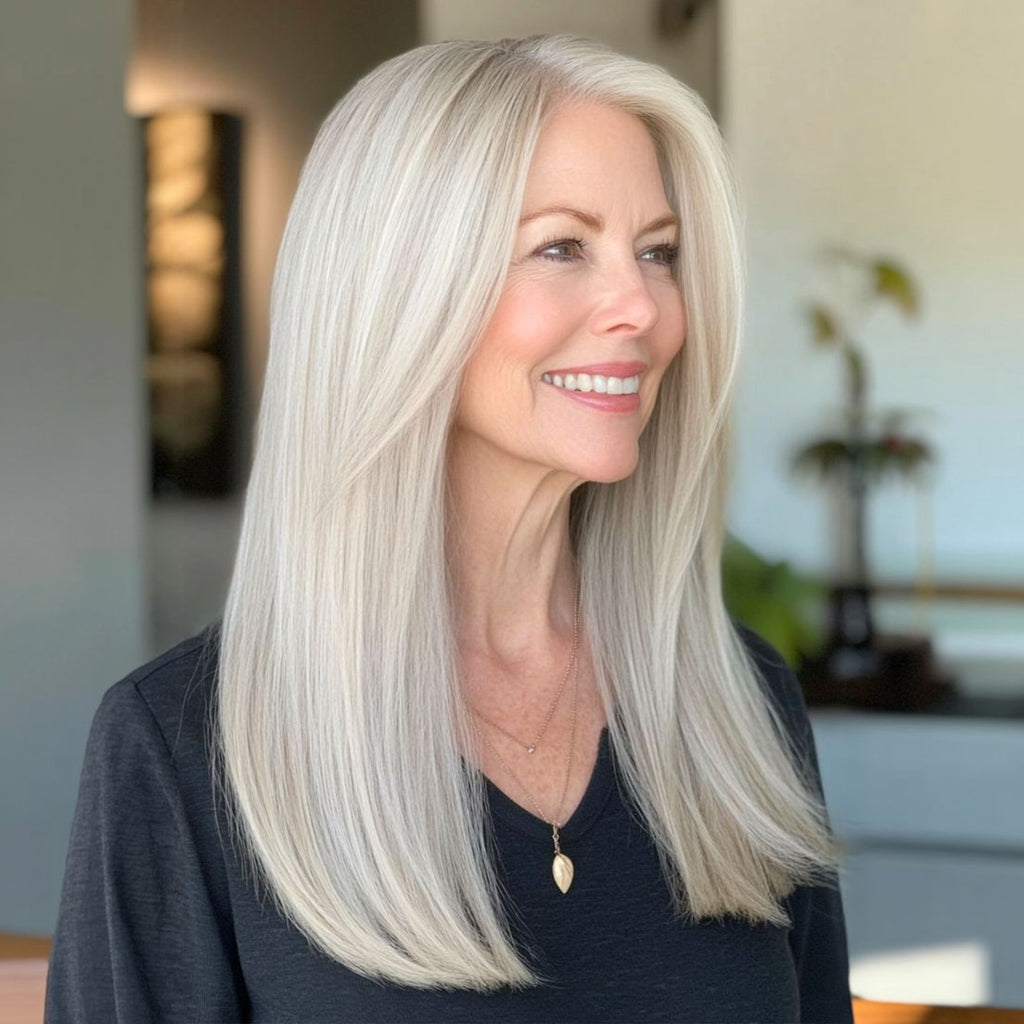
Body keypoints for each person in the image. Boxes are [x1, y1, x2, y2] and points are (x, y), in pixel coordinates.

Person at [45, 34, 854, 1023]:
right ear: (398, 290)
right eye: (562, 246)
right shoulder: (183, 751)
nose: (641, 305)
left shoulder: (736, 705)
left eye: (658, 251)